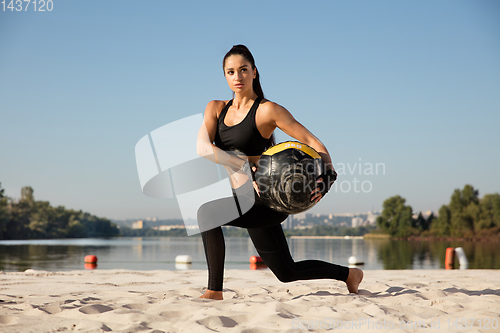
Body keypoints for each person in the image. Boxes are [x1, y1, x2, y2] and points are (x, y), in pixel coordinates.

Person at [196, 44, 363, 300]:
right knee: (286, 271)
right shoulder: (216, 108)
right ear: (225, 76)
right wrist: (243, 160)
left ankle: (214, 291)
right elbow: (203, 149)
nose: (237, 77)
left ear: (254, 72)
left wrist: (328, 175)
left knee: (206, 213)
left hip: (269, 199)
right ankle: (349, 275)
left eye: (243, 70)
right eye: (231, 72)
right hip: (242, 197)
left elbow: (312, 141)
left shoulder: (267, 110)